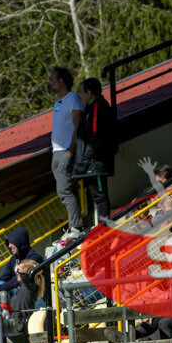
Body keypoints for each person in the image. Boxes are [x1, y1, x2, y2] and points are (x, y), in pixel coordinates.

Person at [48, 66, 85, 239]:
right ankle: (75, 225)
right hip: (57, 151)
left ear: (60, 81)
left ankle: (76, 226)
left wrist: (71, 149)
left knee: (65, 191)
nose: (50, 83)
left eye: (52, 79)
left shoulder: (73, 98)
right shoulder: (58, 103)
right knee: (67, 189)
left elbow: (78, 125)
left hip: (65, 151)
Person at [72, 77, 116, 219]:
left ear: (89, 93)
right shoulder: (89, 109)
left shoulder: (99, 107)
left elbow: (96, 138)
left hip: (95, 163)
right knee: (95, 197)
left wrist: (84, 160)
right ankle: (102, 230)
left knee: (100, 197)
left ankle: (105, 231)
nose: (80, 96)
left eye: (82, 92)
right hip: (90, 164)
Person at [0, 226, 44, 295]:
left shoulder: (34, 257)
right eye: (8, 243)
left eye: (12, 242)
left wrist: (0, 288)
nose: (9, 246)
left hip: (34, 296)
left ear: (20, 241)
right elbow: (5, 277)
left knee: (0, 287)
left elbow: (20, 279)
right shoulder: (13, 259)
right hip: (20, 295)